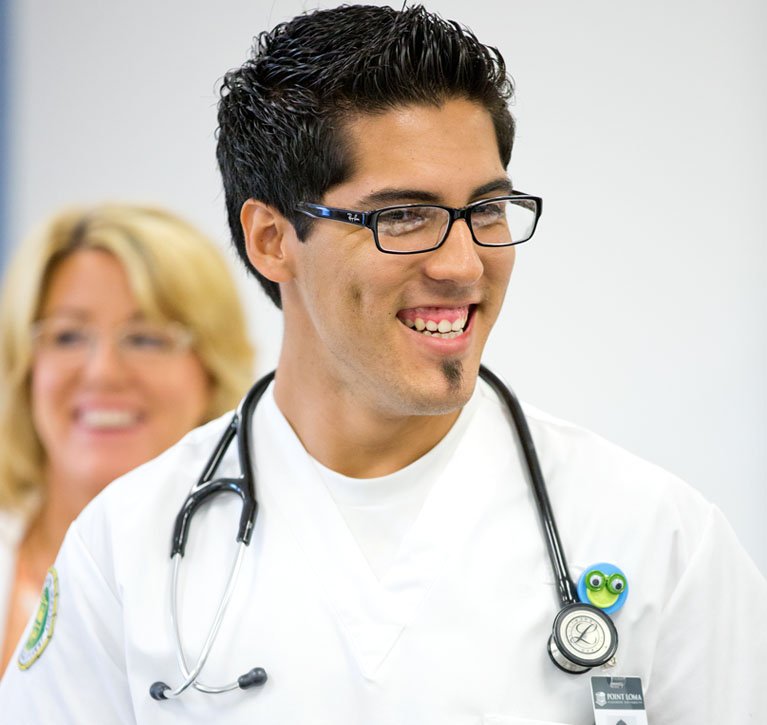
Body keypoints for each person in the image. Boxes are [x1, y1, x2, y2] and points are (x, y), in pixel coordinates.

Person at [1, 5, 764, 723]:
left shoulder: (658, 536)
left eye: (487, 210)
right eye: (404, 215)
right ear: (271, 238)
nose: (464, 265)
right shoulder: (126, 547)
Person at [0, 203, 254, 675]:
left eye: (146, 339)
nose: (102, 374)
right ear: (25, 365)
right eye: (68, 336)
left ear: (211, 370)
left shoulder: (261, 575)